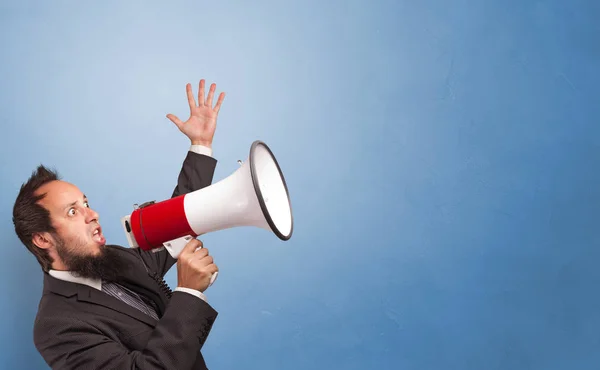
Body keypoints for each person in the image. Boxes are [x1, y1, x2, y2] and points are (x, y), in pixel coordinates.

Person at [12, 79, 226, 370]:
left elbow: (175, 225)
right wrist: (187, 293)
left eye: (86, 203)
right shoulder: (56, 326)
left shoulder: (118, 259)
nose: (93, 214)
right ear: (42, 239)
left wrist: (200, 145)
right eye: (73, 212)